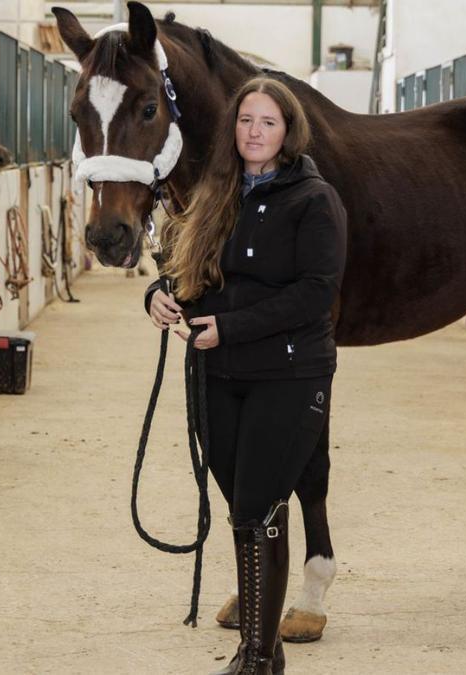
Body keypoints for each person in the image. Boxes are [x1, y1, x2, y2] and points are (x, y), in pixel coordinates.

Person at [145, 76, 347, 675]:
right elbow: (187, 271)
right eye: (245, 121)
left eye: (268, 123)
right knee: (248, 512)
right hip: (217, 374)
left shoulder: (314, 201)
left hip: (287, 376)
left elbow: (316, 296)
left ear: (288, 133)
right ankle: (265, 643)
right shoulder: (214, 194)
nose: (254, 133)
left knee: (257, 509)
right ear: (232, 128)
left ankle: (258, 656)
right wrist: (160, 294)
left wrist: (230, 328)